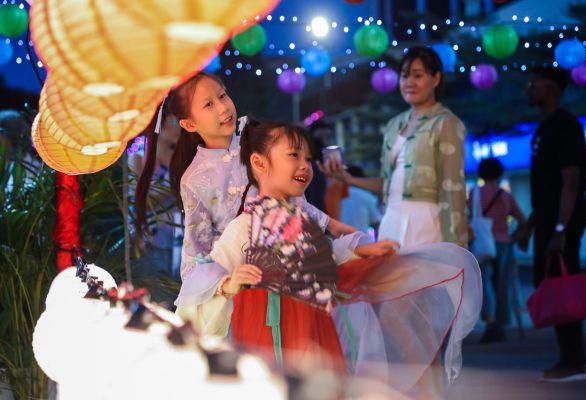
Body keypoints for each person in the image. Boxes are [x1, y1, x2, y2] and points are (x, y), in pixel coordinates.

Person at [174, 119, 482, 395]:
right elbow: (203, 277)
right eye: (293, 155)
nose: (305, 166)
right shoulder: (244, 226)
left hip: (315, 326)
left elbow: (320, 258)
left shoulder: (302, 219)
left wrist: (357, 250)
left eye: (308, 158)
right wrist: (229, 283)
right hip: (267, 332)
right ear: (259, 162)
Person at [133, 72, 355, 282]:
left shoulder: (260, 143)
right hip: (247, 281)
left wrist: (330, 224)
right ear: (189, 124)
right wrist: (225, 283)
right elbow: (197, 251)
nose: (223, 108)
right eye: (209, 104)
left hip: (296, 263)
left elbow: (293, 202)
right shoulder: (195, 179)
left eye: (222, 96)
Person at [322, 46, 468, 250]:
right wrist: (349, 179)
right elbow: (388, 183)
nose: (410, 83)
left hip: (427, 222)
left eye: (418, 76)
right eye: (404, 76)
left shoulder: (445, 123)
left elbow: (452, 189)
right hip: (391, 220)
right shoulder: (394, 125)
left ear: (436, 79)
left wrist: (457, 248)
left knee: (424, 272)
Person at [517, 66, 586, 382]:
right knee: (552, 284)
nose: (529, 88)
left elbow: (570, 179)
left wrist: (561, 229)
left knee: (564, 285)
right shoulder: (545, 126)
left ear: (551, 88)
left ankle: (574, 360)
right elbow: (547, 188)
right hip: (550, 219)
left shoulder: (564, 124)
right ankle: (571, 356)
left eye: (534, 83)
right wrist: (530, 225)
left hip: (565, 221)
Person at [468, 158, 526, 343]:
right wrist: (513, 238)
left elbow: (468, 217)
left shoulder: (475, 193)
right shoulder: (506, 196)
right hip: (504, 244)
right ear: (500, 173)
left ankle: (490, 321)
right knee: (502, 285)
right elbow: (522, 221)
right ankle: (501, 323)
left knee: (484, 283)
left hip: (482, 244)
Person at [132, 103, 182, 302]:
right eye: (174, 122)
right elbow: (144, 197)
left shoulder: (180, 159)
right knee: (155, 303)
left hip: (179, 242)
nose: (179, 128)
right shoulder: (138, 159)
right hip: (150, 243)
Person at [340, 165, 382, 234]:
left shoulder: (338, 195)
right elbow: (376, 224)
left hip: (338, 239)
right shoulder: (367, 196)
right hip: (361, 239)